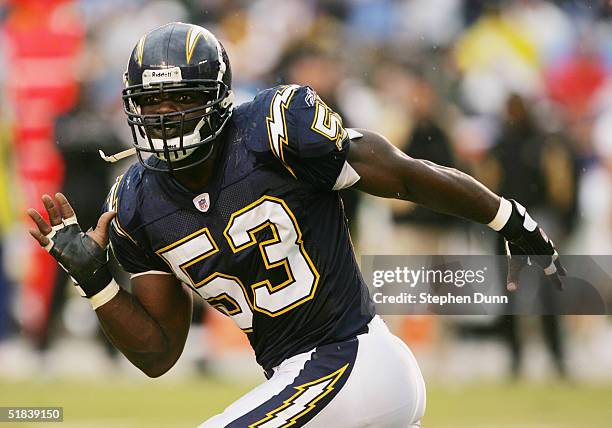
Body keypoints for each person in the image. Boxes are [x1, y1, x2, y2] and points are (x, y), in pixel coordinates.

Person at [27, 23, 566, 427]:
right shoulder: (136, 200)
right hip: (302, 381)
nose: (166, 114)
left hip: (353, 360)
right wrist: (97, 284)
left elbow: (402, 174)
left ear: (216, 98)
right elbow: (159, 354)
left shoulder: (273, 126)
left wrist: (507, 217)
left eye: (183, 98)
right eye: (153, 100)